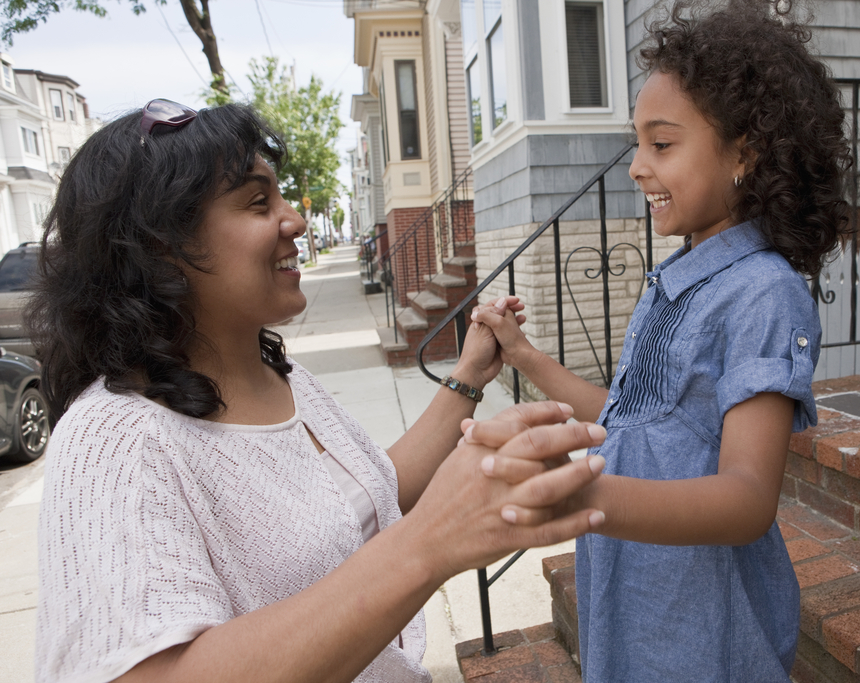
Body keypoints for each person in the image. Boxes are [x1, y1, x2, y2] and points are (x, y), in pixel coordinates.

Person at [29, 99, 609, 683]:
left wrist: (468, 378)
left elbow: (366, 497)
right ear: (160, 247)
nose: (296, 220)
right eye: (259, 202)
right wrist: (430, 543)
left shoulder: (281, 375)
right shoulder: (114, 439)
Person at [471, 1, 852, 680]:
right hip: (634, 599)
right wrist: (522, 355)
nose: (636, 167)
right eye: (635, 143)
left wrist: (580, 500)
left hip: (701, 628)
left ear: (745, 152)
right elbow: (630, 420)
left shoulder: (761, 292)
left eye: (662, 144)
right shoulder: (677, 280)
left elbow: (744, 498)